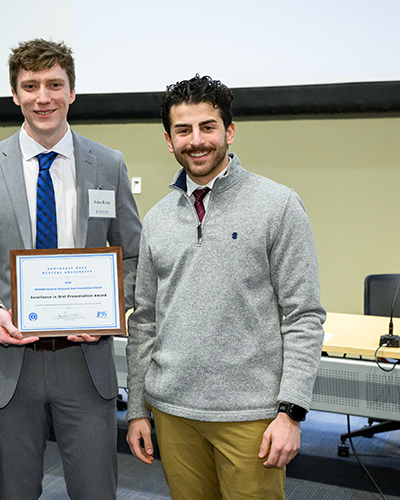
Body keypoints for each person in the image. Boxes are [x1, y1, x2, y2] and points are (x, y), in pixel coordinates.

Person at [0, 39, 141, 499]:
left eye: (55, 84)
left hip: (85, 361)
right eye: (30, 86)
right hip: (9, 360)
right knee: (15, 493)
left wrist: (110, 308)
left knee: (96, 491)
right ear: (14, 94)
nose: (43, 97)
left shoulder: (108, 165)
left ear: (72, 91)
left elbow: (133, 256)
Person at [125, 75, 326, 499]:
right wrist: (138, 409)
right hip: (173, 413)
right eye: (183, 130)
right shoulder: (157, 219)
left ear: (229, 131)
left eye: (207, 127)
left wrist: (291, 412)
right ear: (169, 139)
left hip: (250, 416)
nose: (196, 141)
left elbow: (304, 316)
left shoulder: (278, 205)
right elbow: (144, 322)